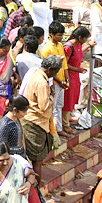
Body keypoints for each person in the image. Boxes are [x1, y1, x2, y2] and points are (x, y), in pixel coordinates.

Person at [22, 55, 62, 184]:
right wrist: (51, 95)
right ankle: (37, 189)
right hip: (35, 122)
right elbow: (44, 107)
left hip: (30, 119)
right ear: (49, 69)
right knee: (37, 160)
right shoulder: (42, 83)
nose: (55, 75)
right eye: (55, 72)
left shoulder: (35, 73)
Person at [39, 21, 71, 138]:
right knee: (53, 107)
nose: (61, 37)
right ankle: (53, 131)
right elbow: (48, 69)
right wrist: (61, 82)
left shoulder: (60, 46)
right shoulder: (47, 49)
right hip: (54, 82)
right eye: (59, 35)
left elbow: (65, 65)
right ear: (51, 34)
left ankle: (59, 128)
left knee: (59, 106)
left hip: (62, 82)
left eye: (62, 35)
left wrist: (67, 80)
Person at [62, 26, 93, 126]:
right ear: (80, 38)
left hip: (76, 76)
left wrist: (88, 46)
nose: (85, 41)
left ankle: (67, 118)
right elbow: (64, 64)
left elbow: (79, 52)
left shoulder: (78, 45)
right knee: (68, 99)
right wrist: (78, 69)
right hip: (69, 75)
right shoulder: (68, 47)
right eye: (85, 39)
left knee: (73, 98)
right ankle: (65, 123)